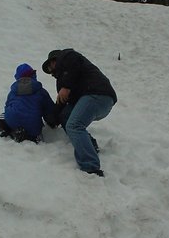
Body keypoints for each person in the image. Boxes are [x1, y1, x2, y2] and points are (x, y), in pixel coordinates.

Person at [42, 48, 117, 177]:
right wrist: (52, 119)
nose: (50, 71)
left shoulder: (68, 56)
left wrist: (66, 86)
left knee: (74, 125)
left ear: (55, 60)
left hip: (98, 94)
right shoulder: (63, 80)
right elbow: (62, 102)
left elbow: (73, 64)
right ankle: (89, 145)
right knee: (66, 116)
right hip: (92, 98)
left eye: (49, 66)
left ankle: (91, 168)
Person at [0, 63, 57, 143]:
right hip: (32, 125)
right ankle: (30, 137)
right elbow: (49, 110)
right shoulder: (41, 91)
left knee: (1, 117)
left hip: (13, 120)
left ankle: (4, 130)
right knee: (33, 128)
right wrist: (53, 123)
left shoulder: (13, 91)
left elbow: (8, 105)